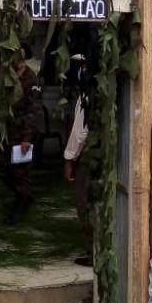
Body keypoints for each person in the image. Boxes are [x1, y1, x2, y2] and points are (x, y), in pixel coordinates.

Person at [0, 44, 43, 225]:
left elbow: (33, 112)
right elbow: (0, 103)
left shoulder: (31, 81)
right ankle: (23, 194)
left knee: (20, 173)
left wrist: (26, 139)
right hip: (6, 134)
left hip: (22, 135)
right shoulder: (10, 78)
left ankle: (17, 209)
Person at [63, 54, 93, 267]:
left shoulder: (87, 95)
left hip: (88, 157)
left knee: (85, 203)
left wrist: (69, 160)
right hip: (100, 156)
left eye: (82, 66)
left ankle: (93, 252)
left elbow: (80, 132)